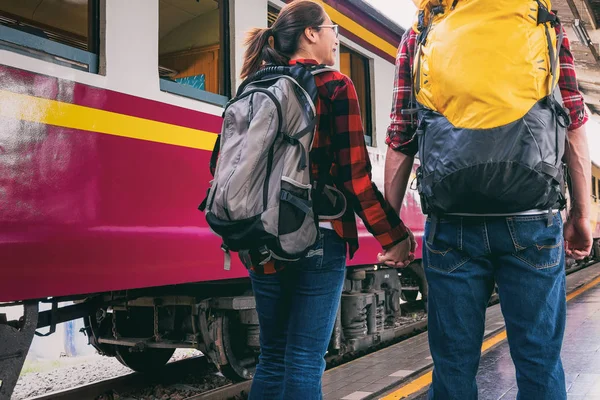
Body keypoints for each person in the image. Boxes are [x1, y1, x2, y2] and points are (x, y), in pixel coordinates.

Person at [381, 2, 594, 400]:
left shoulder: (422, 28)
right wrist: (582, 213)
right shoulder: (542, 21)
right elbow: (574, 124)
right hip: (532, 217)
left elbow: (401, 135)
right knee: (539, 359)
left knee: (453, 364)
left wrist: (391, 227)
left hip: (452, 222)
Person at [237, 1, 415, 399]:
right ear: (311, 34)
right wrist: (394, 236)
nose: (337, 36)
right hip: (317, 236)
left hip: (260, 238)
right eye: (332, 27)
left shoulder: (254, 85)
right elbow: (355, 178)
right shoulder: (335, 85)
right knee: (303, 358)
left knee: (272, 357)